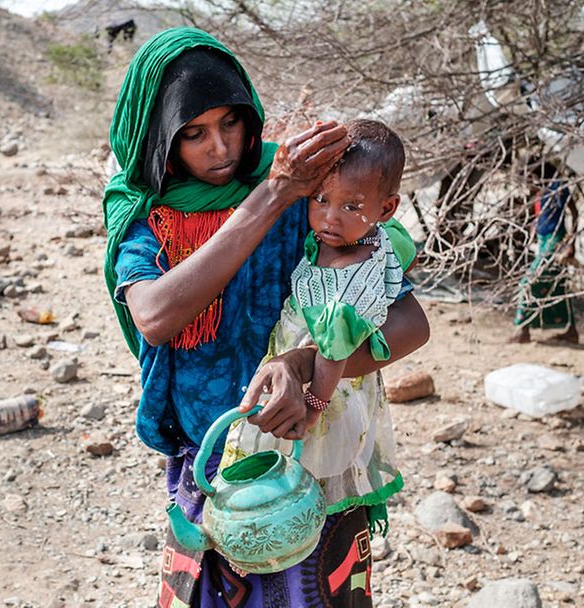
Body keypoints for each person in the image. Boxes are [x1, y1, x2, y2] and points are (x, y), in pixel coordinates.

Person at [104, 28, 430, 607]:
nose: (221, 148)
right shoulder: (149, 216)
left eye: (230, 122)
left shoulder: (312, 202)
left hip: (307, 459)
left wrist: (306, 362)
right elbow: (155, 316)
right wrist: (270, 196)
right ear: (158, 139)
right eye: (194, 134)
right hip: (206, 455)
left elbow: (407, 320)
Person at [222, 120, 412, 533]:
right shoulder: (373, 239)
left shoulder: (349, 284)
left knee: (301, 474)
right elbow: (403, 247)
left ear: (387, 208)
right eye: (321, 199)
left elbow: (333, 353)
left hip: (328, 394)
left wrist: (314, 405)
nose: (329, 218)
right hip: (324, 380)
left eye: (350, 206)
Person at [509, 162, 579, 344]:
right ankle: (571, 330)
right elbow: (540, 216)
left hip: (555, 240)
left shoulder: (558, 187)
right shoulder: (540, 190)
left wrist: (571, 242)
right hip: (543, 241)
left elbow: (574, 211)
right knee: (558, 285)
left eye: (532, 176)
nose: (530, 180)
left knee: (528, 281)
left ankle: (523, 330)